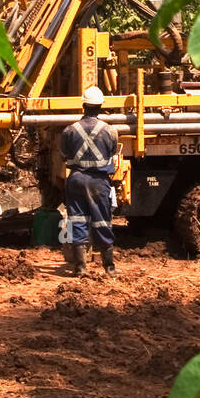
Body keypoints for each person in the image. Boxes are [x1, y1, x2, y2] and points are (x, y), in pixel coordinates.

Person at [60, 84, 118, 277]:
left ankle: (80, 268)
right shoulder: (110, 131)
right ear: (100, 106)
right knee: (102, 221)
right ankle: (109, 268)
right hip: (99, 181)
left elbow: (64, 154)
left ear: (83, 106)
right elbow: (112, 152)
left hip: (76, 179)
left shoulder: (69, 130)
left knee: (77, 220)